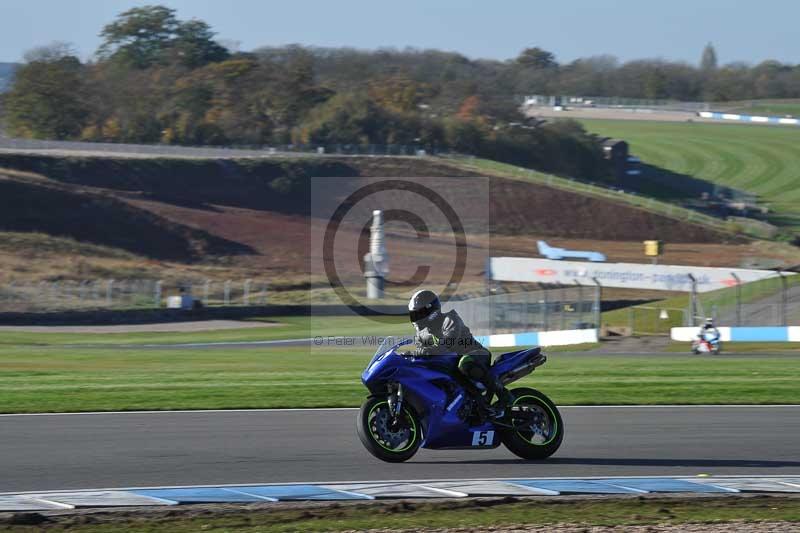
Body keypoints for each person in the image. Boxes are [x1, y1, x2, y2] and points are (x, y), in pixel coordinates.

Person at [405, 289, 511, 417]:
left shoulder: (450, 319)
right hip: (452, 364)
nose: (417, 319)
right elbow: (421, 353)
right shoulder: (422, 335)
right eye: (414, 315)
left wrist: (427, 350)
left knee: (465, 363)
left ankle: (503, 395)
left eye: (419, 314)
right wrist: (409, 357)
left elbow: (447, 344)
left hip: (475, 355)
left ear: (431, 310)